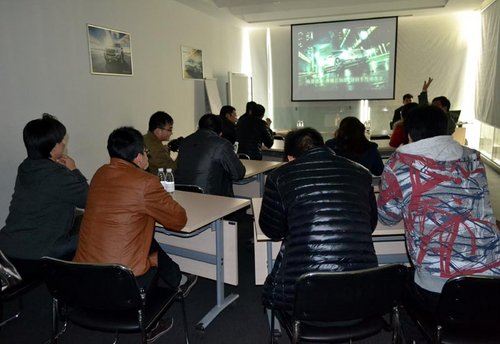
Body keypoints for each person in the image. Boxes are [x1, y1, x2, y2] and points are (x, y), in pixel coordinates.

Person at [74, 126, 197, 341]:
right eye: (146, 152)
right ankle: (150, 324)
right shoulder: (146, 183)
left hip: (83, 278)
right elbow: (179, 220)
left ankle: (178, 278)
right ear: (139, 157)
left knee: (147, 239)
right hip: (122, 283)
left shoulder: (100, 173)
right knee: (149, 243)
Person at [378, 105, 500, 314]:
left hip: (439, 287)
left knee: (398, 286)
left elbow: (388, 217)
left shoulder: (399, 164)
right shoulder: (474, 158)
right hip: (492, 279)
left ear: (409, 135)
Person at [260, 127, 378, 311]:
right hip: (361, 289)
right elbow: (370, 225)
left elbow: (272, 231)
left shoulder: (279, 176)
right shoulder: (362, 173)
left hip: (303, 293)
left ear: (290, 158)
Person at [0, 114, 88, 280]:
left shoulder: (25, 166)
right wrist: (74, 170)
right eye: (62, 141)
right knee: (91, 235)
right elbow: (89, 200)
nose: (64, 144)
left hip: (7, 248)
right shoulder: (58, 174)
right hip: (37, 254)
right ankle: (74, 292)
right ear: (52, 148)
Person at [175, 114, 246, 197]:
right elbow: (238, 173)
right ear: (220, 131)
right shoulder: (222, 144)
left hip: (183, 196)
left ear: (199, 127)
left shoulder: (185, 141)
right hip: (212, 198)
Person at [143, 111, 176, 175]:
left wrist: (168, 147)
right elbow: (172, 170)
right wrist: (183, 152)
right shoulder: (155, 147)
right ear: (158, 131)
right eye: (169, 130)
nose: (171, 133)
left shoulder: (145, 138)